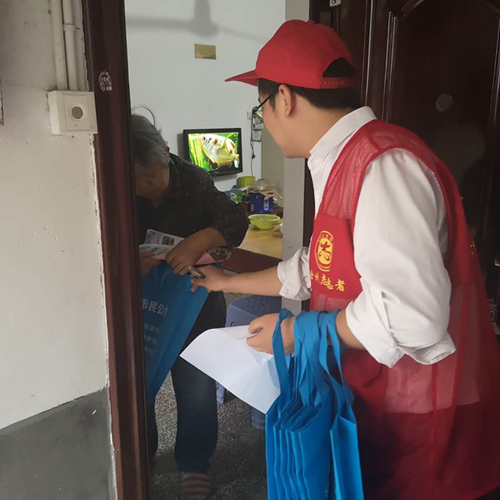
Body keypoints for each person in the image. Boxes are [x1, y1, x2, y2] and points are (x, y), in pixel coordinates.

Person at [191, 20, 500, 500]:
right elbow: (317, 266)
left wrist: (296, 332)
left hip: (418, 413)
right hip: (377, 397)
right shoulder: (345, 159)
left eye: (261, 106)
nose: (265, 120)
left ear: (284, 99)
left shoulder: (383, 166)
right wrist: (225, 282)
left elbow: (412, 317)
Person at [131, 114, 248, 499]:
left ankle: (195, 463)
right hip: (144, 303)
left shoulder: (194, 180)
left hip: (195, 303)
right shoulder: (116, 187)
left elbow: (234, 222)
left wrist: (197, 241)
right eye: (135, 181)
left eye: (150, 177)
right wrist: (131, 259)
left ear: (166, 154)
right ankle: (142, 453)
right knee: (141, 382)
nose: (143, 188)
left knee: (195, 384)